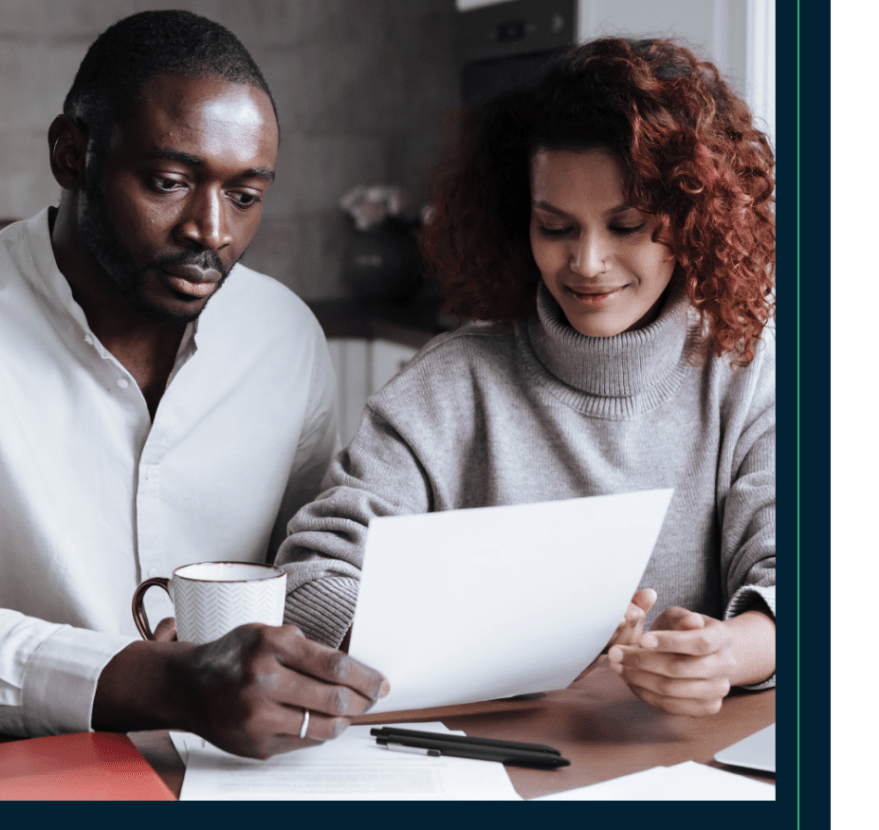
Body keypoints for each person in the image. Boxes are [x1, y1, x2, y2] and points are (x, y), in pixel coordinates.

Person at [0, 10, 387, 760]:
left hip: (249, 774)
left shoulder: (284, 337)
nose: (211, 231)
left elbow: (306, 569)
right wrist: (158, 682)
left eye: (245, 195)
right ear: (71, 154)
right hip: (14, 775)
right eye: (169, 182)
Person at [276, 37, 776, 717]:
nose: (588, 262)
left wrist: (727, 653)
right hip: (481, 766)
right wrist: (524, 642)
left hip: (685, 767)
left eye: (626, 225)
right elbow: (309, 579)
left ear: (691, 222)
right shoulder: (449, 386)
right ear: (520, 223)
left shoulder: (749, 373)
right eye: (555, 227)